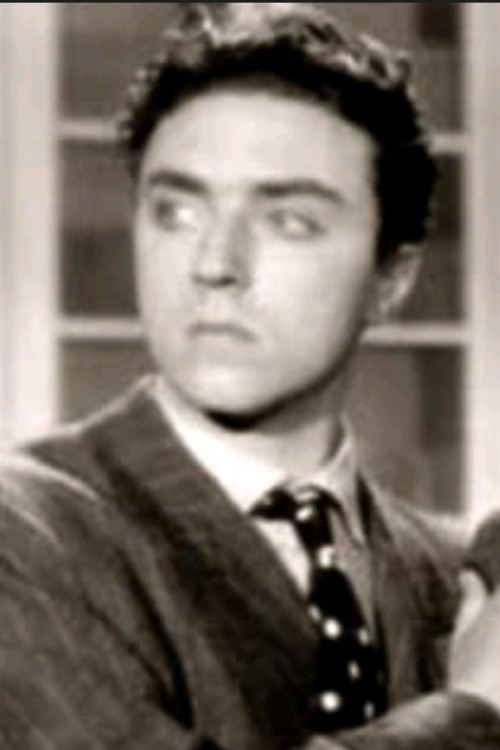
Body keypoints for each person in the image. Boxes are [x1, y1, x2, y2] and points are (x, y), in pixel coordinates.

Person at [1, 3, 500, 748]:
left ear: (391, 280)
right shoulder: (27, 536)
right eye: (175, 212)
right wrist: (471, 714)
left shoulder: (456, 575)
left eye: (288, 221)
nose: (214, 264)